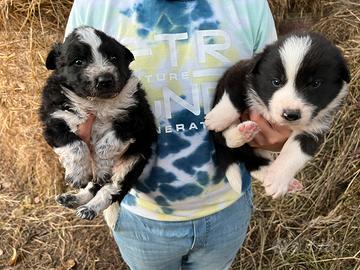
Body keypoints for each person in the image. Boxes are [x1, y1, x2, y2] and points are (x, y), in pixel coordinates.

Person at [67, 1, 290, 269]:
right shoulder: (93, 6)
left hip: (228, 209)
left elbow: (277, 98)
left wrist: (280, 136)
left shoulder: (250, 5)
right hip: (139, 216)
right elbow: (69, 96)